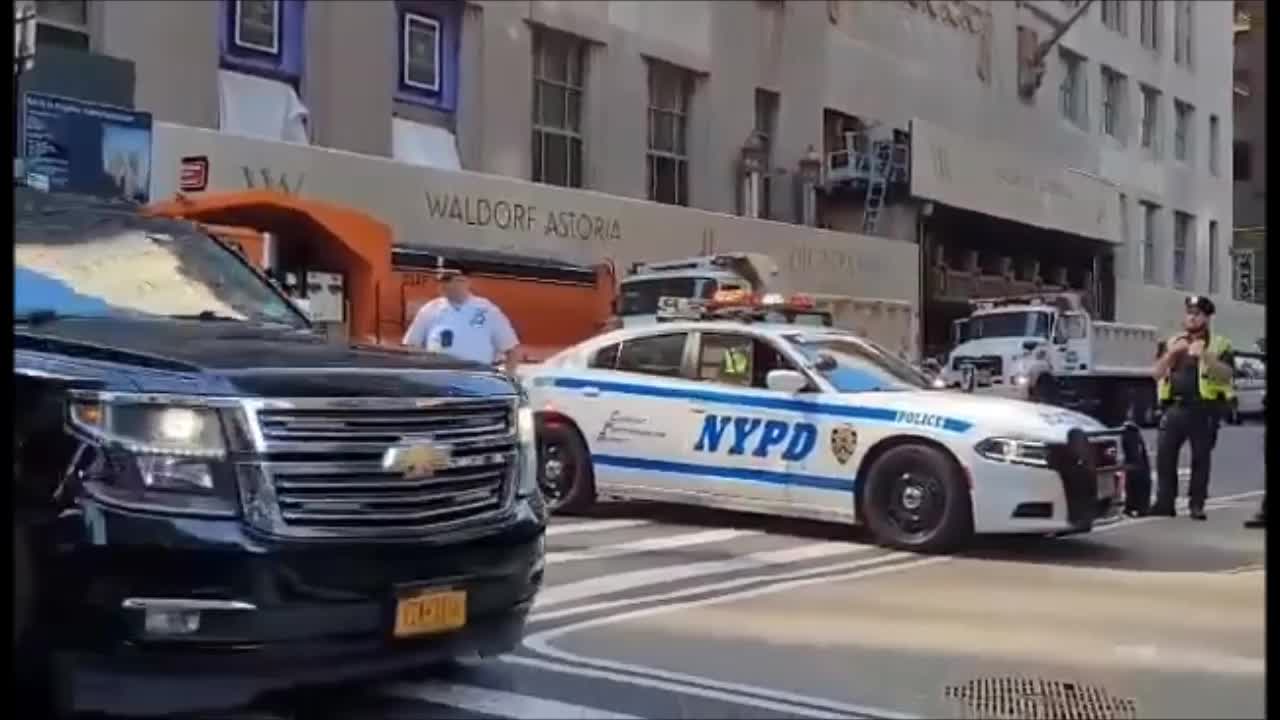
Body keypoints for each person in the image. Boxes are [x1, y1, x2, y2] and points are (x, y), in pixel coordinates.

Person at [1149, 296, 1235, 520]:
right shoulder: (1172, 342)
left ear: (1207, 318)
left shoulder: (1220, 344)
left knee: (1201, 458)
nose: (1192, 317)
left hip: (1204, 408)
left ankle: (1197, 504)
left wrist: (1204, 355)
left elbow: (1226, 375)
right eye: (1189, 313)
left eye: (1197, 314)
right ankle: (1164, 503)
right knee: (1165, 456)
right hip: (1174, 407)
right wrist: (1172, 355)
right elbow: (1156, 373)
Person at [402, 267, 521, 376]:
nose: (442, 285)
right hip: (439, 378)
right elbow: (411, 345)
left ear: (464, 281)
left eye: (448, 280)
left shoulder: (487, 310)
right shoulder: (430, 309)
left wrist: (508, 377)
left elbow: (511, 349)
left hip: (477, 379)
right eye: (440, 281)